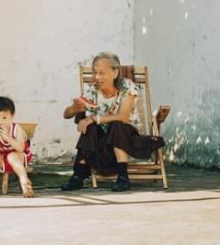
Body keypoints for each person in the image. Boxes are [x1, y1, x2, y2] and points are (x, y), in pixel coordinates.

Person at [61, 52, 165, 192]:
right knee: (90, 128)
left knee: (116, 125)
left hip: (128, 139)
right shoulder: (92, 92)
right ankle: (78, 176)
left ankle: (123, 176)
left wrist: (92, 118)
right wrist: (74, 109)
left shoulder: (126, 87)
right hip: (102, 145)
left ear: (115, 72)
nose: (97, 77)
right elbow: (65, 114)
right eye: (94, 72)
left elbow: (122, 117)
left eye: (102, 73)